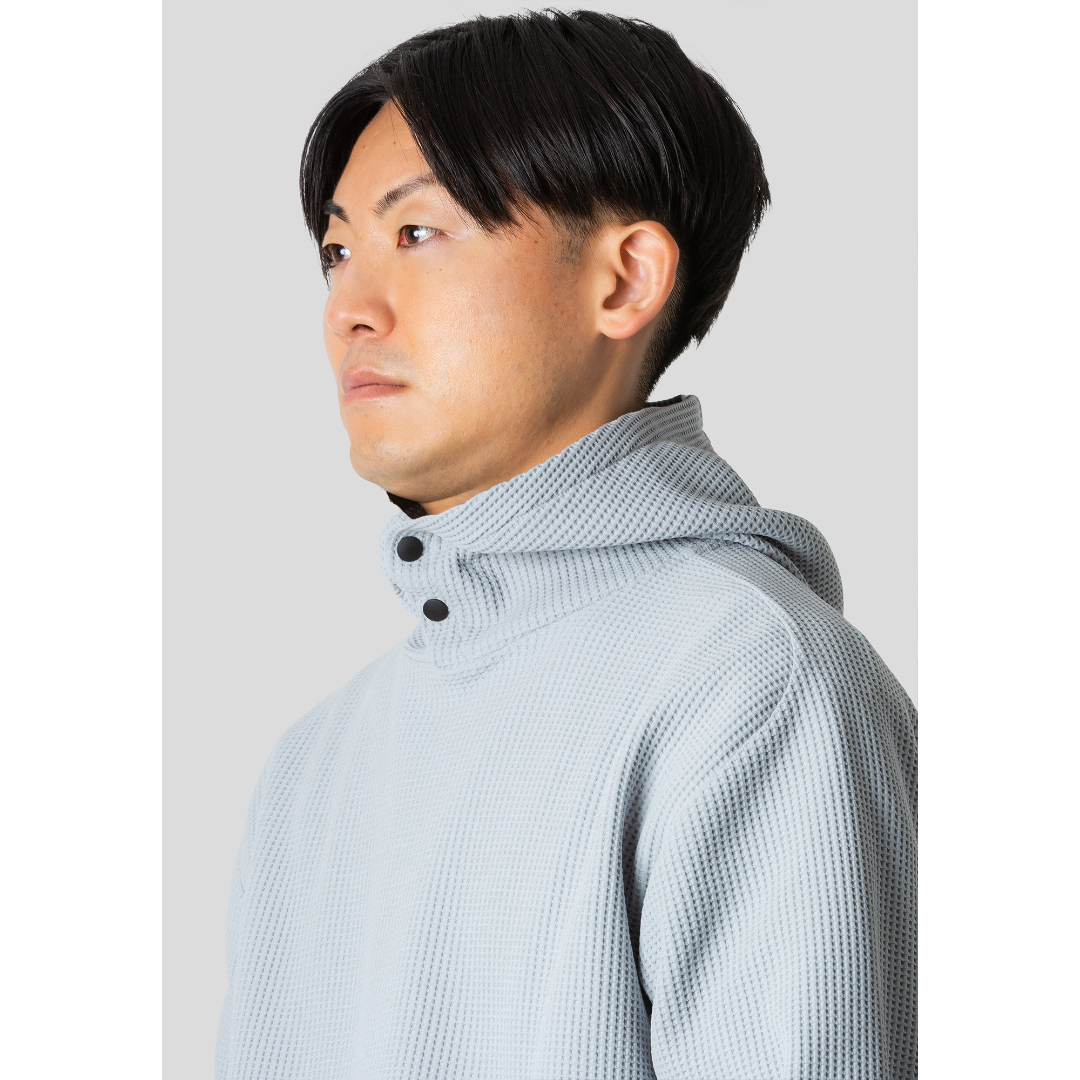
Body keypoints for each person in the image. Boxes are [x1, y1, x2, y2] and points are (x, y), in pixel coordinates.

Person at [216, 10, 916, 1079]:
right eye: (337, 250)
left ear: (624, 280)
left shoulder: (753, 685)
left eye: (417, 234)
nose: (348, 308)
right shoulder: (314, 766)